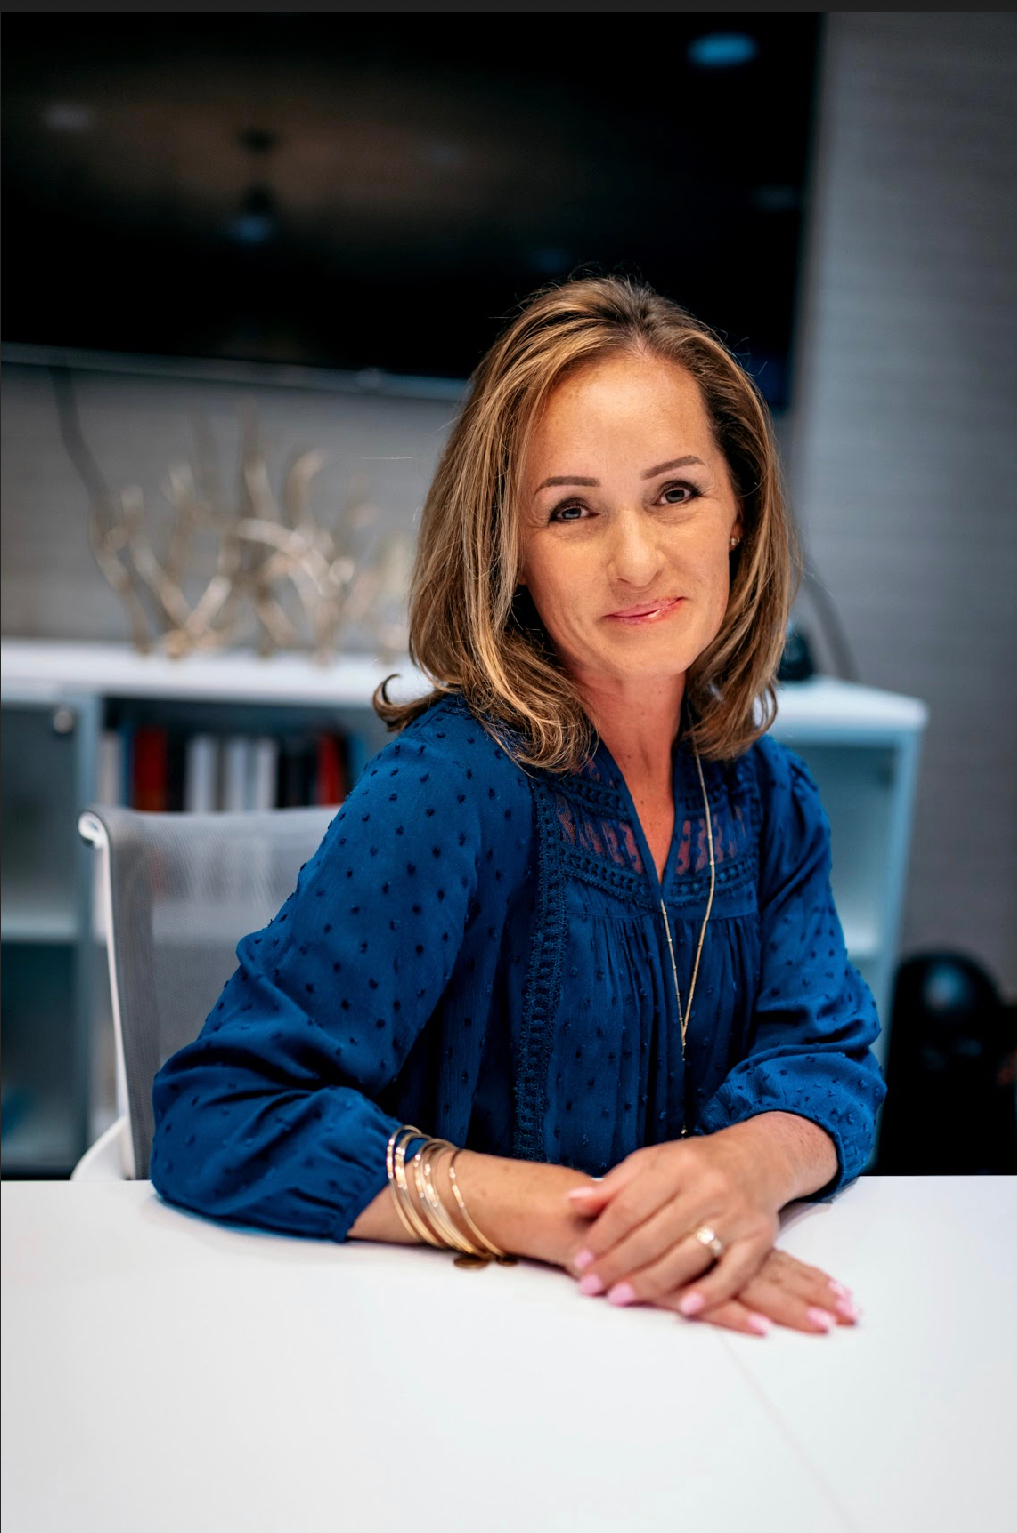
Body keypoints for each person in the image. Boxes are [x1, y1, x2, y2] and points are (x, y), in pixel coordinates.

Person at [151, 276, 884, 1337]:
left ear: (741, 512)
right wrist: (577, 1218)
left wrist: (742, 1167)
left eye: (675, 492)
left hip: (683, 1359)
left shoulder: (770, 797)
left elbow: (831, 1058)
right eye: (572, 509)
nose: (635, 558)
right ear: (515, 552)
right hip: (451, 1355)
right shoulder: (452, 786)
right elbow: (220, 1114)